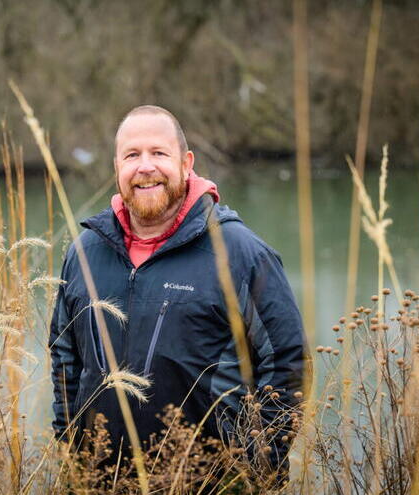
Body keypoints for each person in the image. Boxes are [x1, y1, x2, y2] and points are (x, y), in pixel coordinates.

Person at [49, 105, 306, 478]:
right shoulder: (85, 252)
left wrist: (252, 469)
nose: (145, 166)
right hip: (99, 480)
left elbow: (287, 362)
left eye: (159, 153)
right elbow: (64, 356)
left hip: (208, 482)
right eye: (132, 155)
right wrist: (73, 449)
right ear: (116, 168)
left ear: (186, 163)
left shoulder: (239, 253)